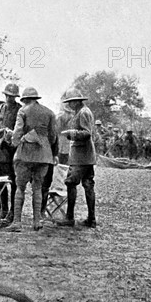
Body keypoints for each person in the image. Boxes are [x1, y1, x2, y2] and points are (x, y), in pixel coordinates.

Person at [7, 87, 57, 232]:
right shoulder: (49, 112)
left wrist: (14, 143)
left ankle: (17, 222)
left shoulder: (22, 111)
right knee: (38, 187)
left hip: (25, 155)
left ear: (24, 99)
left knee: (20, 187)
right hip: (44, 155)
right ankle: (37, 221)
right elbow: (53, 137)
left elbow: (18, 132)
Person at [57, 89, 97, 228]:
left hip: (81, 157)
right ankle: (91, 219)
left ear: (77, 101)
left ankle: (69, 217)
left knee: (71, 183)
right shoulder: (81, 112)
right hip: (85, 156)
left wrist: (71, 134)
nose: (69, 105)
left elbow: (87, 133)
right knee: (88, 185)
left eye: (71, 102)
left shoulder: (83, 113)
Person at [0, 83, 22, 221]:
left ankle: (13, 212)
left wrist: (11, 135)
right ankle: (3, 209)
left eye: (12, 96)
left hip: (13, 151)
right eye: (8, 95)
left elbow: (20, 130)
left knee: (14, 182)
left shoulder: (20, 110)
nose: (9, 98)